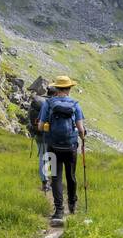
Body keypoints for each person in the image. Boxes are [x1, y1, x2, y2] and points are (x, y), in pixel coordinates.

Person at [37, 76, 86, 225]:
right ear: (69, 88)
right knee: (71, 176)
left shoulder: (48, 103)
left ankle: (58, 212)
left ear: (56, 88)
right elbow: (81, 129)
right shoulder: (75, 105)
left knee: (55, 177)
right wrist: (82, 138)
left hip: (52, 145)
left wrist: (47, 127)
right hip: (70, 146)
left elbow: (40, 126)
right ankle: (72, 204)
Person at [28, 85, 55, 192]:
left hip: (37, 134)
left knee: (42, 157)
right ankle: (53, 182)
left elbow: (29, 117)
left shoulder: (37, 101)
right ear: (55, 93)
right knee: (52, 156)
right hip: (49, 134)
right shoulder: (51, 104)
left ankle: (44, 183)